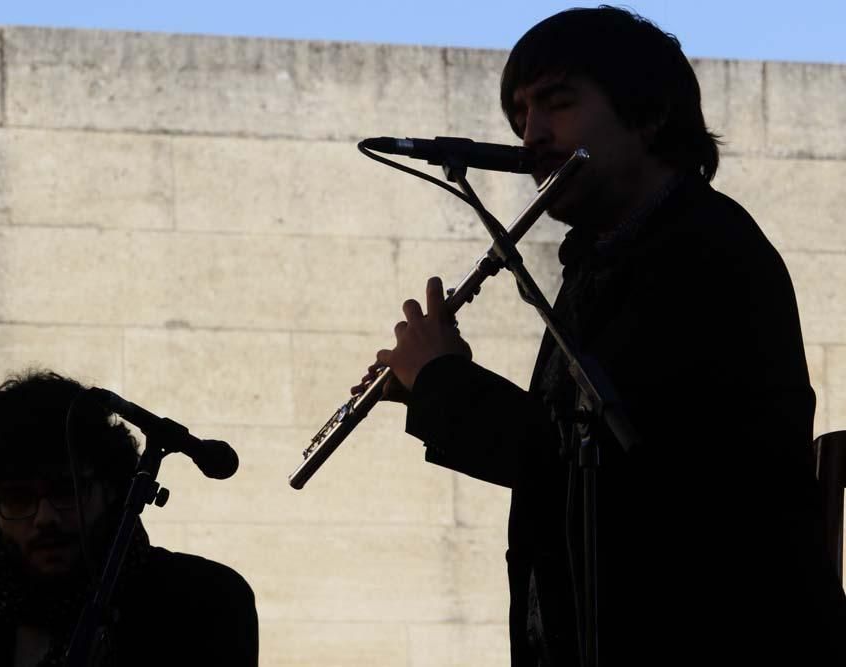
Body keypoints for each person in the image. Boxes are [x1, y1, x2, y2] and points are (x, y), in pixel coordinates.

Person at [361, 7, 846, 666]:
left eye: (556, 105)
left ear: (647, 115)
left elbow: (619, 472)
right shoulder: (602, 257)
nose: (531, 136)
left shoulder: (705, 254)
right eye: (519, 116)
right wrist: (434, 382)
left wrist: (445, 384)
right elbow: (566, 458)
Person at [0, 370, 258, 666]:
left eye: (66, 491)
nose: (45, 518)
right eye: (18, 498)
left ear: (111, 489)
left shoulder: (206, 600)